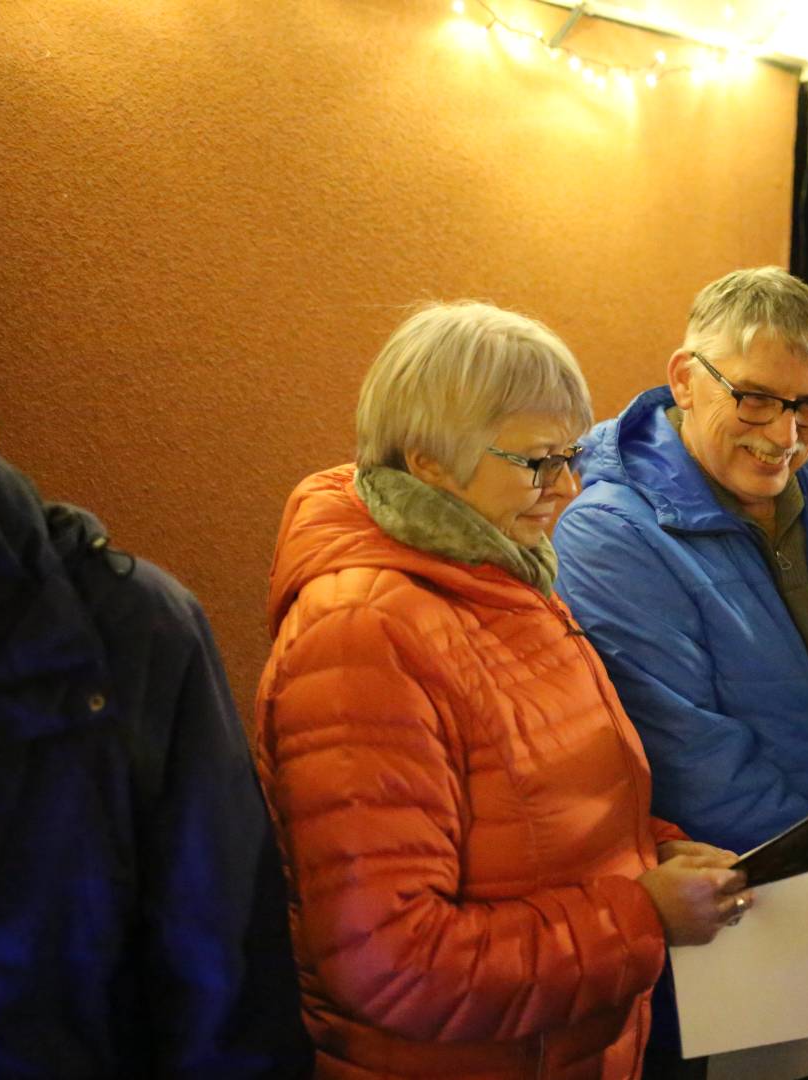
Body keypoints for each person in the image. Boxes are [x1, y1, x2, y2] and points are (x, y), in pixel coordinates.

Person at [252, 302, 749, 1080]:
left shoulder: (500, 578)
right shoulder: (361, 632)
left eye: (570, 455)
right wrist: (640, 913)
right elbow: (389, 961)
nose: (566, 488)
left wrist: (650, 848)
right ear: (429, 464)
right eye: (535, 461)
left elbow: (531, 816)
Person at [552, 267, 808, 884]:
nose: (785, 436)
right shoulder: (612, 534)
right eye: (754, 399)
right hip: (736, 913)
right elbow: (689, 759)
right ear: (685, 381)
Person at [0, 405, 311, 1077]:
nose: (558, 489)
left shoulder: (138, 630)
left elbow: (227, 984)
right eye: (534, 461)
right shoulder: (372, 624)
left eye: (556, 459)